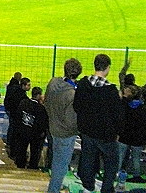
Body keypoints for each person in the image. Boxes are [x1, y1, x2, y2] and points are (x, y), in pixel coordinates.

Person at [74, 54, 123, 193]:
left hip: (87, 132)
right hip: (106, 135)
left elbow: (77, 106)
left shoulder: (83, 84)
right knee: (111, 163)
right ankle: (107, 189)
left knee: (88, 159)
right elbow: (118, 116)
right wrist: (118, 132)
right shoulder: (111, 91)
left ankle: (88, 187)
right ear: (107, 68)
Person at [44, 57, 82, 193]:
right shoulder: (72, 94)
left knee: (57, 160)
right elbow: (72, 121)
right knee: (61, 163)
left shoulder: (53, 82)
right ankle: (53, 189)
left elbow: (46, 103)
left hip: (53, 127)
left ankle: (56, 185)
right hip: (65, 133)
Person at [117, 84, 146, 179]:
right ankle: (136, 175)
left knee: (120, 157)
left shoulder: (124, 105)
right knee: (136, 158)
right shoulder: (143, 108)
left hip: (124, 135)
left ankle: (116, 174)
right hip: (137, 137)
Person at [15, 86, 48, 169]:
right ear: (38, 95)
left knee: (22, 149)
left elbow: (18, 116)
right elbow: (42, 123)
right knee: (35, 152)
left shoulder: (23, 102)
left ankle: (20, 164)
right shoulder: (40, 108)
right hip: (35, 134)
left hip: (23, 130)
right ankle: (33, 166)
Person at [4, 76, 31, 160]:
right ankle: (15, 153)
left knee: (13, 132)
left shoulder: (16, 91)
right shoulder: (21, 96)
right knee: (17, 135)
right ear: (23, 85)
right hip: (17, 117)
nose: (30, 87)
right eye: (28, 85)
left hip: (14, 115)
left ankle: (12, 151)